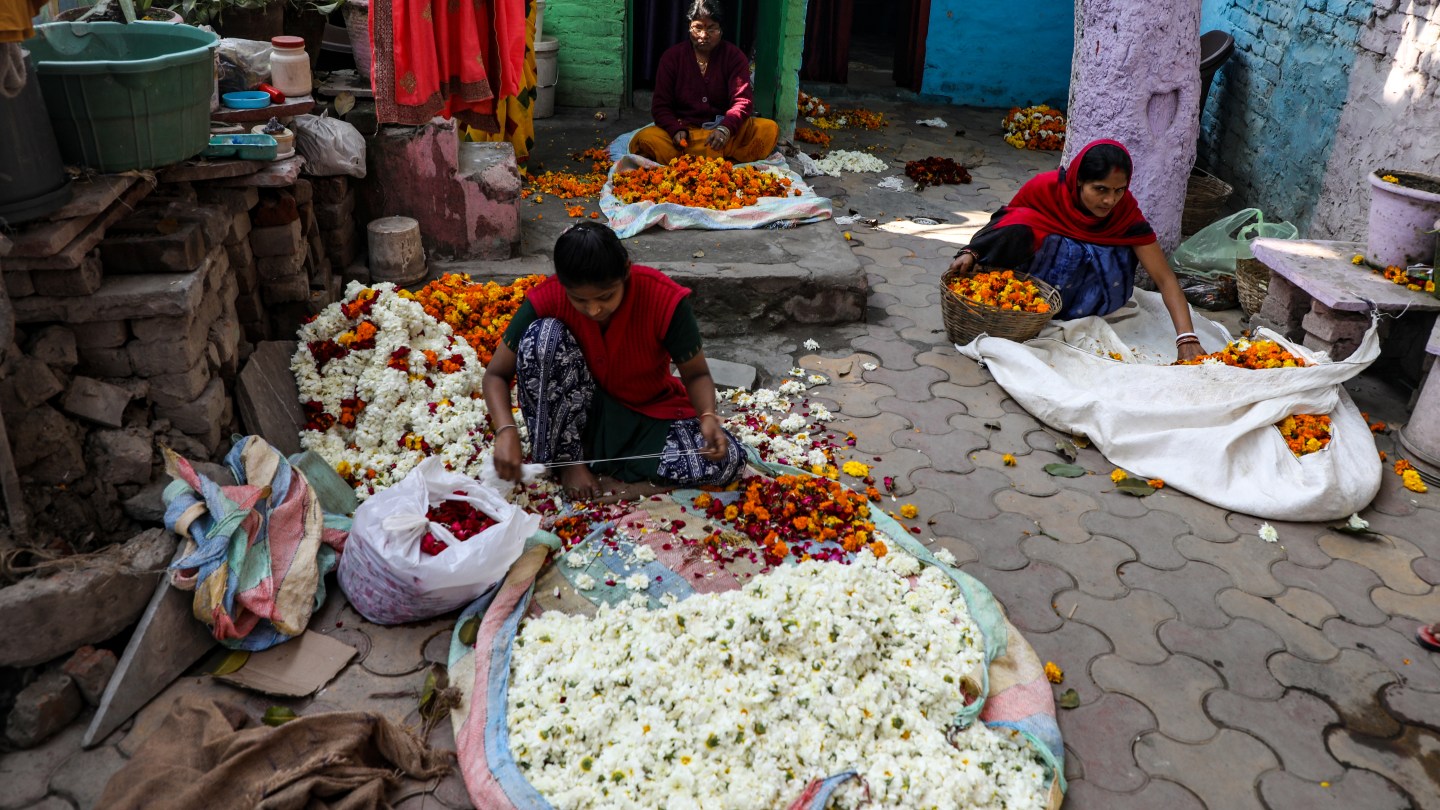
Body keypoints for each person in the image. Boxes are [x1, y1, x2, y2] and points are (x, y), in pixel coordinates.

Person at [483, 221, 747, 498]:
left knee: (728, 460)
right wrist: (506, 430)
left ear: (626, 270)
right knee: (542, 337)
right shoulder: (548, 297)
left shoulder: (663, 299)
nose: (594, 309)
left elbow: (697, 375)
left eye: (606, 296)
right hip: (576, 423)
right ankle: (568, 464)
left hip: (645, 419)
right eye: (579, 300)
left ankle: (623, 486)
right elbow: (495, 375)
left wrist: (707, 416)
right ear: (563, 285)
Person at [948, 139, 1206, 361]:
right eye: (1100, 189)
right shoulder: (1045, 188)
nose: (1110, 201)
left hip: (1094, 298)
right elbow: (1004, 227)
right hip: (1037, 288)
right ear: (1079, 180)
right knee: (1023, 224)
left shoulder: (1126, 213)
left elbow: (1164, 278)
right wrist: (972, 253)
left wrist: (1186, 338)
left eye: (1119, 190)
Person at [628, 0, 779, 165]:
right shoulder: (672, 58)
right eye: (697, 28)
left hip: (723, 132)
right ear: (689, 28)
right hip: (686, 132)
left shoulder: (734, 57)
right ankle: (719, 155)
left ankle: (695, 157)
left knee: (768, 129)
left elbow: (742, 101)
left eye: (711, 28)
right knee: (645, 139)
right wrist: (675, 130)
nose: (703, 35)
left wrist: (725, 129)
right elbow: (660, 106)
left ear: (721, 30)